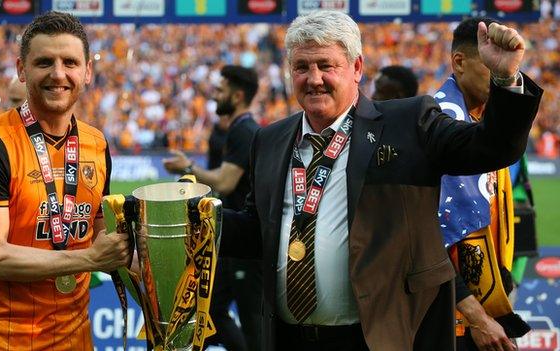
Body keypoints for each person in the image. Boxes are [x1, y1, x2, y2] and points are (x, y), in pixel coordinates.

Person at [219, 10, 542, 351]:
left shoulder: (407, 123)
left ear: (356, 69)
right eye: (302, 67)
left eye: (326, 65)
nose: (314, 78)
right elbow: (258, 232)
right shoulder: (270, 140)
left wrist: (505, 80)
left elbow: (492, 148)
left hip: (375, 339)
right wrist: (201, 219)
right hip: (289, 338)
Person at [0, 11, 131, 350]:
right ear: (22, 70)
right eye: (44, 62)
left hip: (77, 338)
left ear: (87, 72)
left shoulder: (97, 144)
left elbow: (100, 234)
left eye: (70, 62)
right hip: (4, 339)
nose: (58, 74)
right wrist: (90, 259)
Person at [435, 17, 531, 351]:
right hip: (456, 320)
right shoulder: (444, 122)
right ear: (459, 62)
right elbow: (433, 237)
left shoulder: (482, 119)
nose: (498, 72)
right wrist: (478, 318)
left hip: (486, 303)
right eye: (489, 64)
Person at [163, 65, 262, 351]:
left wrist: (187, 167)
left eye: (221, 91)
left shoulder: (245, 131)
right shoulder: (234, 130)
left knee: (253, 321)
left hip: (245, 242)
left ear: (238, 95)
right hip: (227, 238)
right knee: (209, 312)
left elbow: (225, 182)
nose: (215, 96)